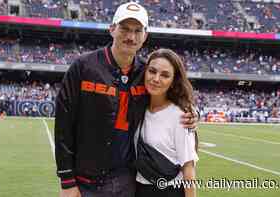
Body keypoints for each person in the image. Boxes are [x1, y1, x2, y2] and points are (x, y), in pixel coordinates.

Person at [55, 2, 198, 197]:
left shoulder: (145, 73)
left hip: (129, 181)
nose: (131, 36)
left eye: (137, 31)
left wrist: (192, 113)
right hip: (85, 181)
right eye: (124, 28)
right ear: (112, 29)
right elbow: (63, 126)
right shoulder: (83, 67)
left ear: (145, 36)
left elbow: (171, 98)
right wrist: (67, 181)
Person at [134, 49, 198, 197]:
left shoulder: (181, 117)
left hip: (169, 191)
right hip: (139, 189)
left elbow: (188, 168)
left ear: (173, 81)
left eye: (165, 75)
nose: (156, 79)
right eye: (152, 71)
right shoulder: (137, 107)